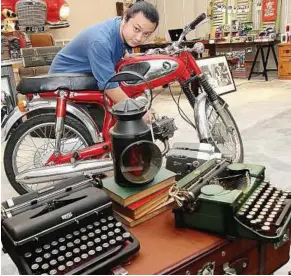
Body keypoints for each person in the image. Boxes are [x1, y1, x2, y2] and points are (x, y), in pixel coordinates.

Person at [49, 1, 159, 104]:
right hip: (62, 82)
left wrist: (127, 55)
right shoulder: (101, 41)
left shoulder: (119, 27)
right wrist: (137, 111)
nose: (139, 38)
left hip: (85, 77)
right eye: (136, 29)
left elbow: (118, 48)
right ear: (125, 18)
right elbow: (110, 88)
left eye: (146, 34)